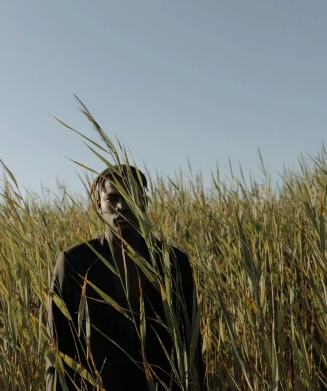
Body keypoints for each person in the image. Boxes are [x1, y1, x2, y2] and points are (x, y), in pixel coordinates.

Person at [45, 165, 206, 390]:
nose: (122, 206)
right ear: (98, 204)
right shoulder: (74, 262)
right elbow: (58, 348)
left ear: (144, 203)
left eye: (132, 196)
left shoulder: (173, 262)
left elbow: (191, 344)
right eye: (112, 198)